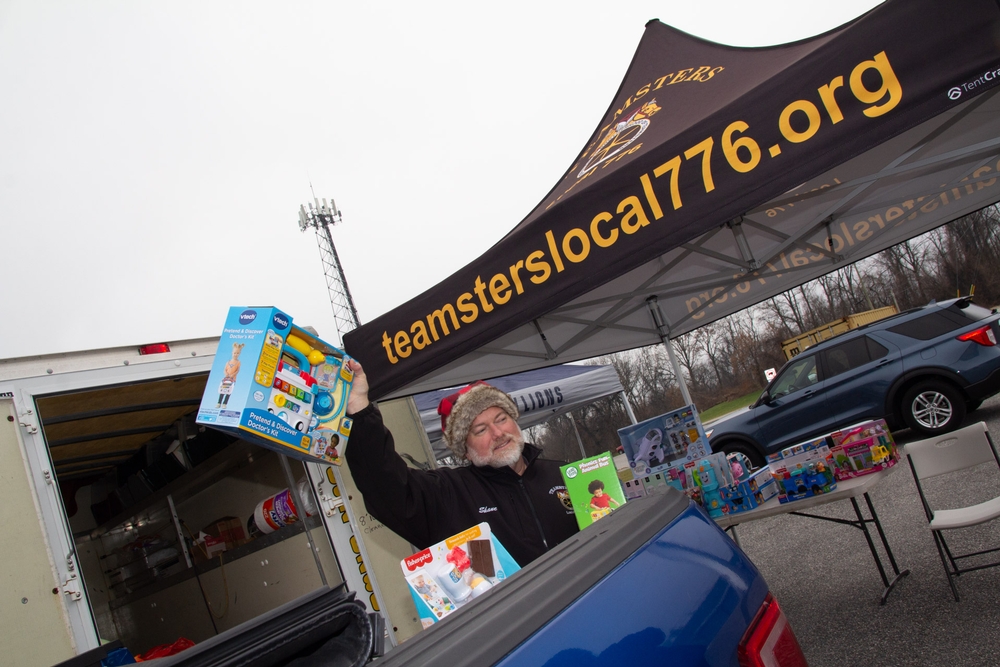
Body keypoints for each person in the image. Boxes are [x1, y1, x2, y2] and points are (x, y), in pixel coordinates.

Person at [344, 359, 578, 567]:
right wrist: (360, 410)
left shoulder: (563, 473)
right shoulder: (450, 494)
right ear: (465, 451)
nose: (498, 433)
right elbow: (386, 485)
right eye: (481, 430)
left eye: (501, 419)